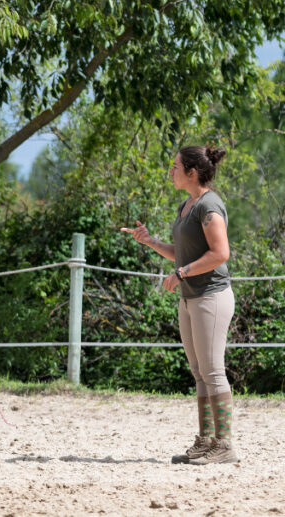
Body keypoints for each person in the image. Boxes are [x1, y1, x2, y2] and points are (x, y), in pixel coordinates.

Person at [121, 145, 236, 464]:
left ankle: (224, 445)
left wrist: (181, 273)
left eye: (175, 167)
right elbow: (184, 252)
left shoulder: (209, 205)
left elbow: (220, 253)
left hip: (211, 296)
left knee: (212, 370)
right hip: (191, 298)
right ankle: (206, 441)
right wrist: (151, 242)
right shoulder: (188, 205)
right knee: (199, 372)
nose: (170, 171)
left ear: (192, 173)